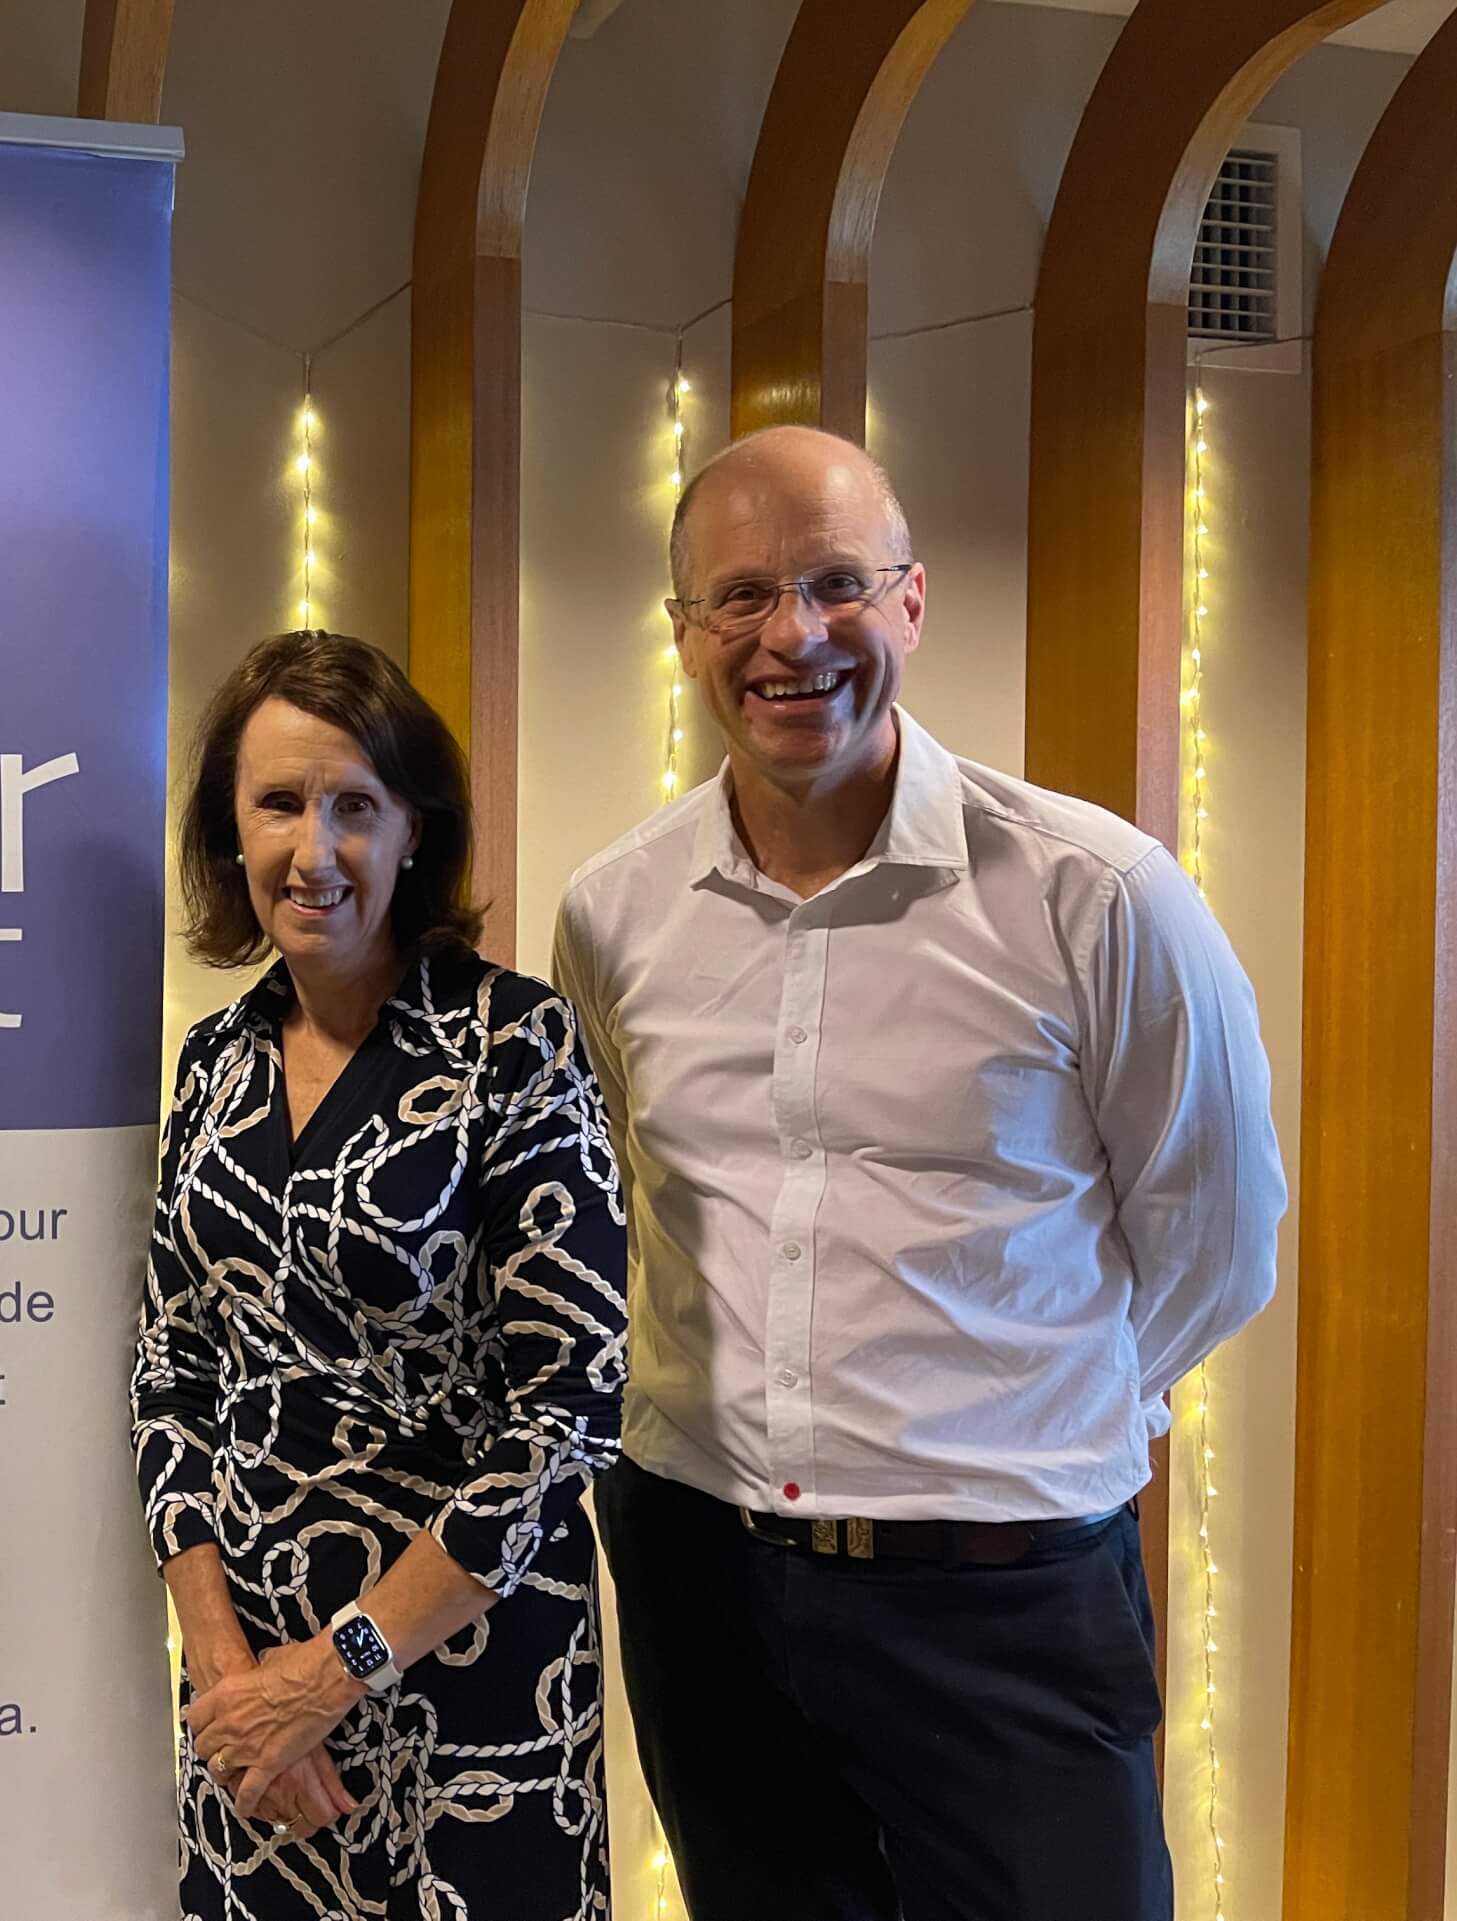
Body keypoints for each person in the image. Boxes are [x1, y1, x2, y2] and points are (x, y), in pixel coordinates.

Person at [551, 424, 1286, 1921]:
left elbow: (1217, 1237)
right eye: (741, 595)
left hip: (1003, 1600)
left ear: (909, 602)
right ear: (684, 630)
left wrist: (1030, 1422)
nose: (790, 635)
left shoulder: (1099, 895)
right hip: (709, 1580)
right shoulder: (612, 914)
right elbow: (626, 1200)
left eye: (836, 583)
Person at [132, 629, 629, 1921]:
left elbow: (564, 1412)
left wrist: (333, 1671)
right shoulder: (215, 1060)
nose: (315, 848)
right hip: (256, 1730)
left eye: (356, 804)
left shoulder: (513, 1045)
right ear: (229, 833)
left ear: (417, 828)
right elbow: (169, 1368)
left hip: (469, 1701)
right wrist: (226, 1671)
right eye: (280, 803)